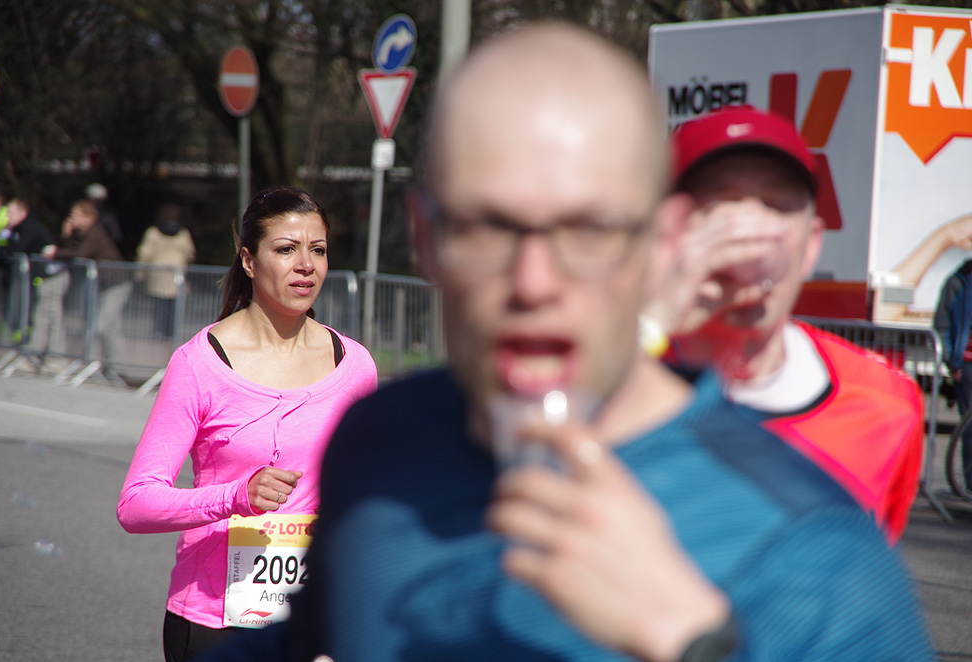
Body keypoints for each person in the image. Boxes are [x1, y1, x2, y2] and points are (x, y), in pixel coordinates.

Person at [204, 23, 931, 662]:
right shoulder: (378, 442)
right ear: (425, 238)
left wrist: (697, 645)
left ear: (664, 244)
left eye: (588, 231)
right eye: (487, 227)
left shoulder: (815, 556)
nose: (534, 282)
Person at [642, 105, 924, 545]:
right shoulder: (612, 379)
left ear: (811, 245)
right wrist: (658, 316)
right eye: (719, 206)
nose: (750, 236)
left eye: (776, 206)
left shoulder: (886, 401)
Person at [117, 187, 378, 662]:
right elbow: (136, 504)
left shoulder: (355, 366)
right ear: (249, 261)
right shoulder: (198, 364)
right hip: (215, 621)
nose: (306, 265)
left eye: (317, 250)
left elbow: (369, 496)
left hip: (314, 620)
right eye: (286, 249)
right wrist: (236, 497)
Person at [53, 199, 130, 366]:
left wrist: (55, 252)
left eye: (75, 215)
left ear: (88, 218)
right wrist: (68, 236)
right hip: (104, 284)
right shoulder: (85, 234)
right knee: (110, 327)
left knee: (102, 326)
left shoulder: (95, 233)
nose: (70, 218)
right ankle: (113, 368)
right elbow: (76, 251)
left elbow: (80, 254)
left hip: (116, 284)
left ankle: (105, 366)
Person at [0, 195, 60, 345]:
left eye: (11, 212)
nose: (7, 216)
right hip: (29, 277)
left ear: (23, 211)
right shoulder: (13, 228)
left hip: (47, 276)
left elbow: (19, 249)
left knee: (43, 315)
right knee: (19, 312)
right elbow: (9, 249)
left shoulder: (30, 226)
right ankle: (22, 346)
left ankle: (35, 350)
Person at [934, 257, 972, 491]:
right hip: (967, 365)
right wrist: (951, 360)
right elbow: (942, 323)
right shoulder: (958, 283)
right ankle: (971, 485)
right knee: (970, 427)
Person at [136, 202, 197, 339]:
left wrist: (140, 272)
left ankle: (159, 331)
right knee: (174, 305)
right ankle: (172, 332)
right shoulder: (183, 232)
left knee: (159, 304)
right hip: (177, 272)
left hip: (157, 272)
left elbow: (145, 253)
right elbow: (189, 252)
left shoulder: (153, 232)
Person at [85, 182, 124, 249]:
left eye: (94, 200)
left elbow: (116, 237)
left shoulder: (108, 217)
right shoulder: (85, 214)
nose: (91, 202)